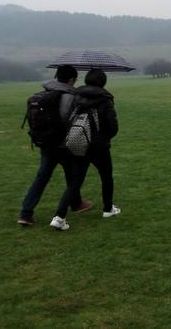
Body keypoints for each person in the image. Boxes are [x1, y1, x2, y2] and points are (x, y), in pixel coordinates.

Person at [18, 65, 92, 226]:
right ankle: (75, 204)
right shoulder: (69, 97)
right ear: (71, 80)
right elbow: (70, 121)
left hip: (45, 143)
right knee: (72, 175)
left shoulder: (44, 93)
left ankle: (26, 213)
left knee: (42, 177)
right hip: (62, 144)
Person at [50, 69, 120, 231]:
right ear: (103, 82)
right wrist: (103, 138)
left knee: (75, 182)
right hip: (99, 147)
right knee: (106, 176)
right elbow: (113, 127)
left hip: (78, 143)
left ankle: (59, 216)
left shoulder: (76, 96)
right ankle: (108, 209)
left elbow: (69, 118)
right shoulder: (105, 99)